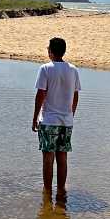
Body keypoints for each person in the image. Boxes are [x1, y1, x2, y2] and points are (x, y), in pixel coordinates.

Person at [32, 37, 80, 200]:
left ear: (51, 51)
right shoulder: (73, 69)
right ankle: (61, 190)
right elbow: (75, 95)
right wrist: (70, 115)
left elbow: (40, 95)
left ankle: (47, 192)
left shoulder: (45, 68)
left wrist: (34, 118)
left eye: (48, 48)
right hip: (66, 121)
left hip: (49, 120)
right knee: (62, 157)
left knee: (48, 158)